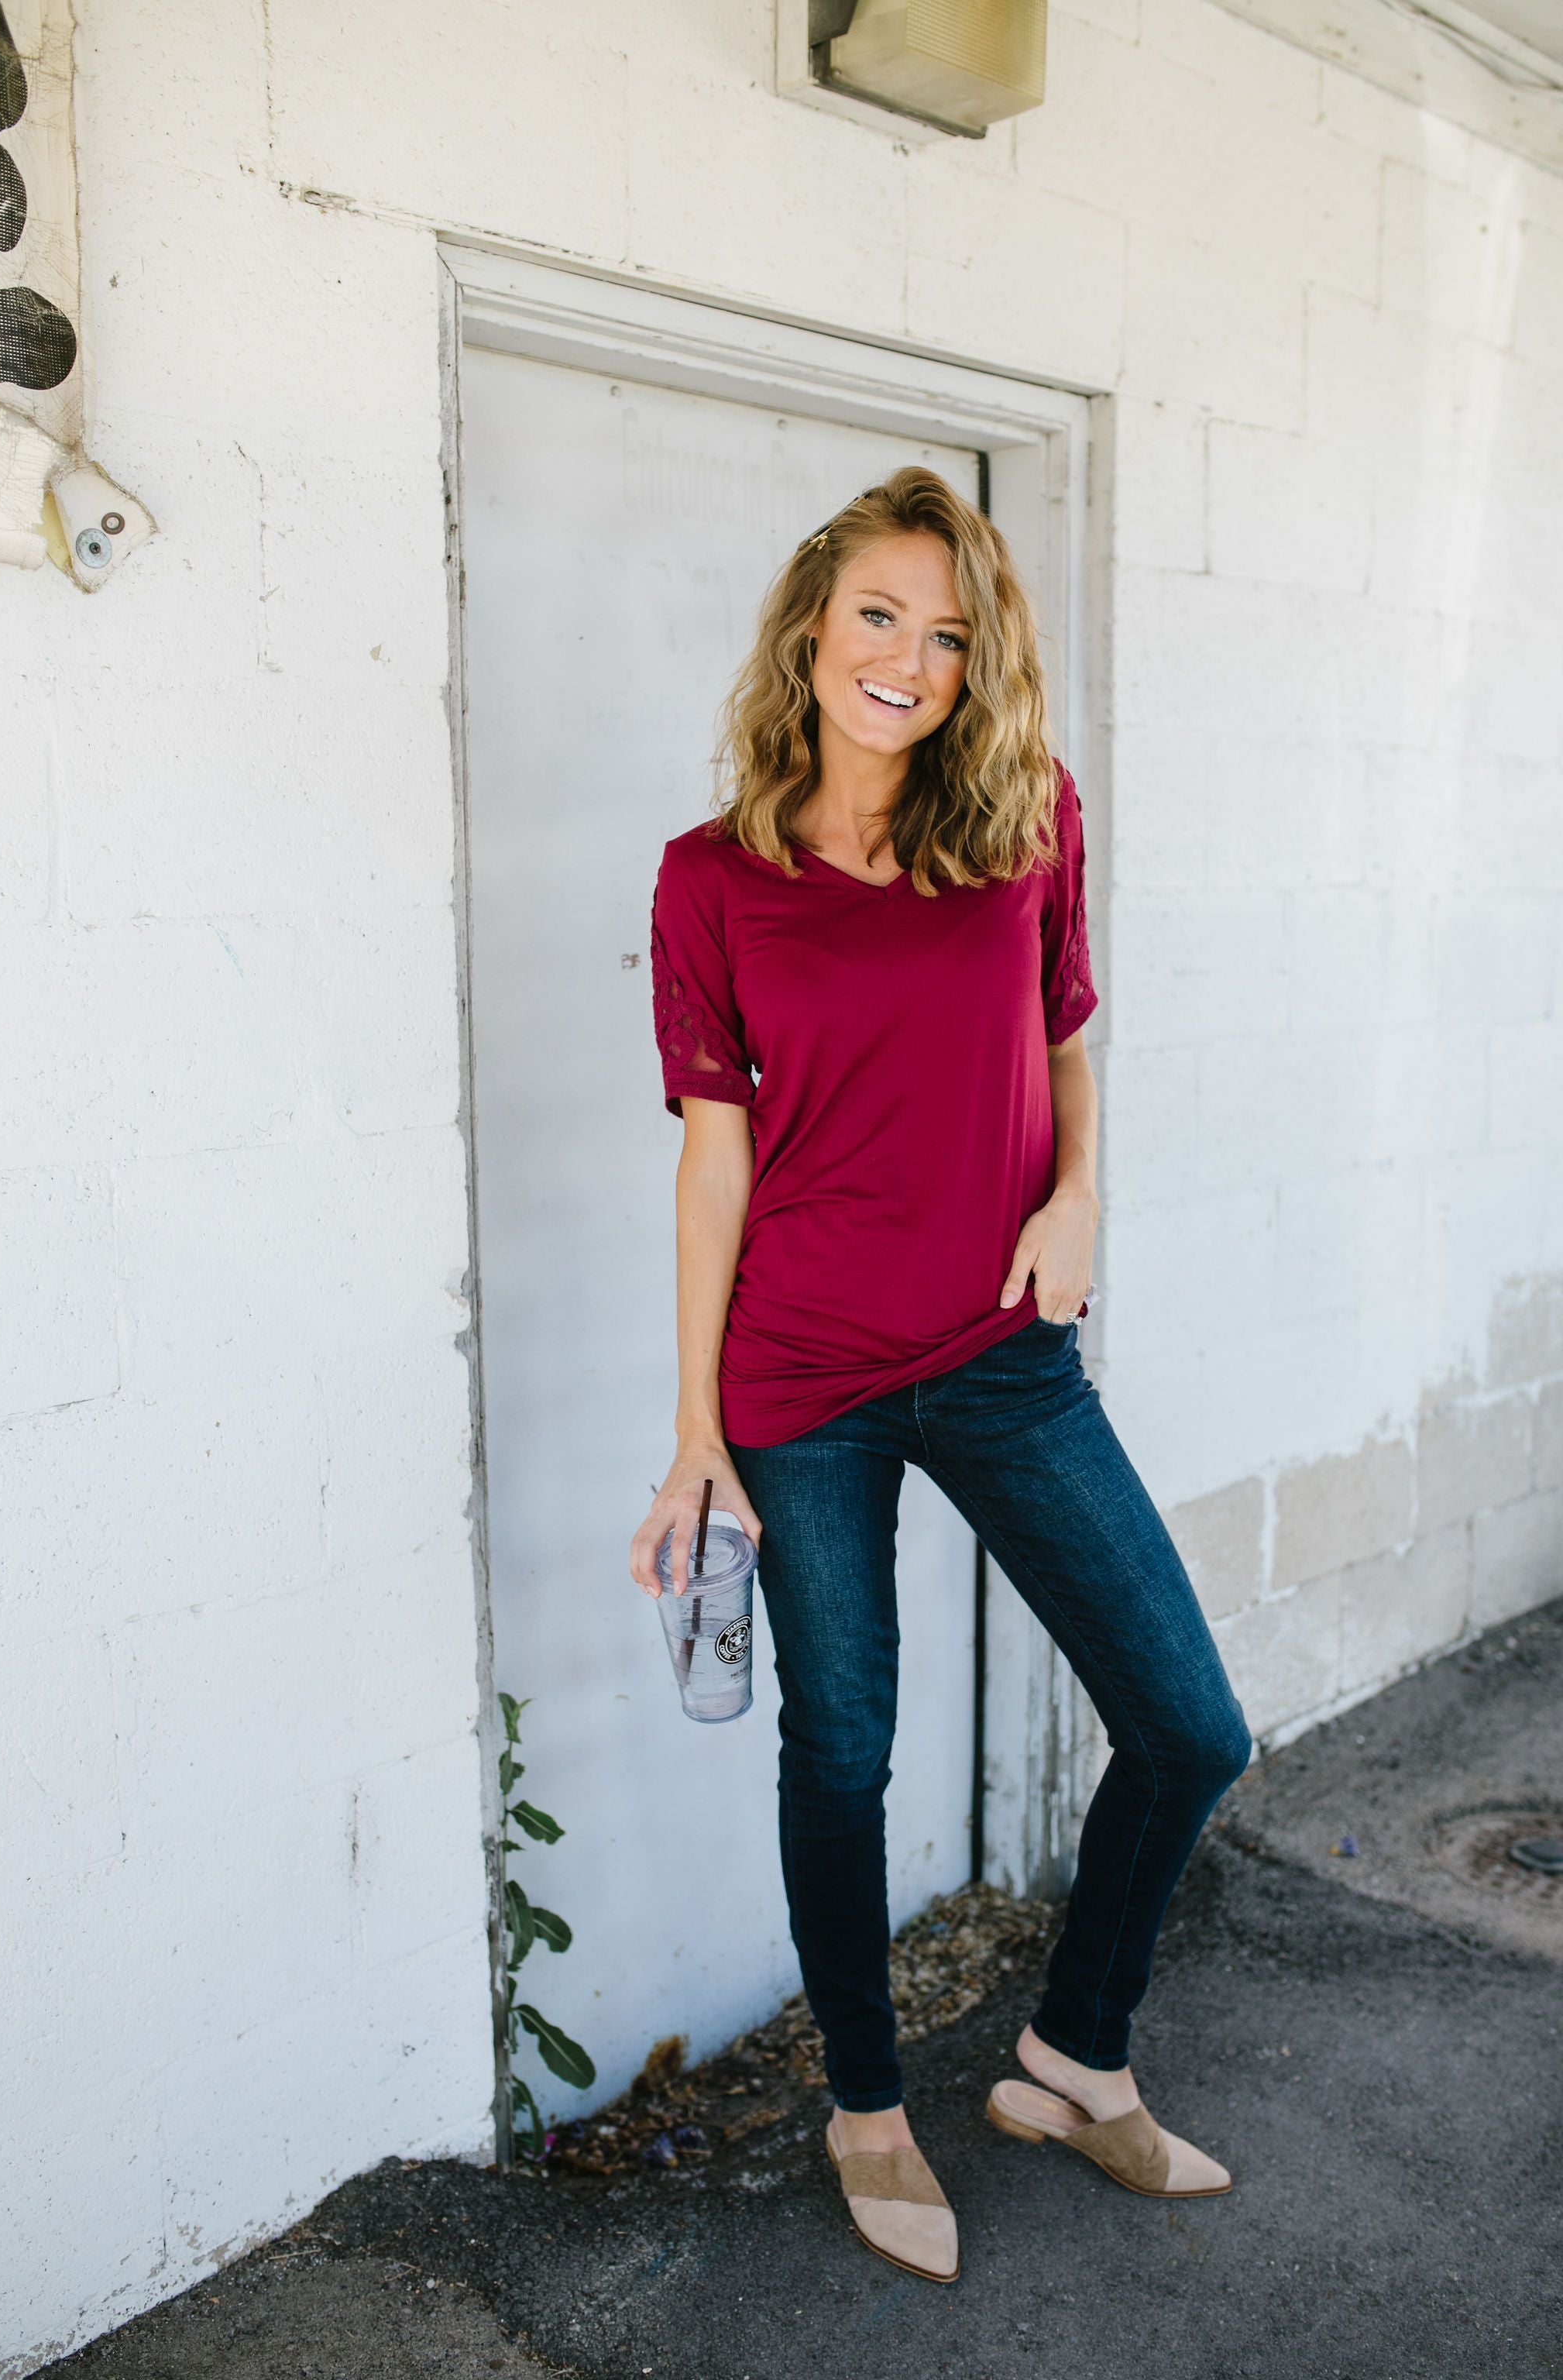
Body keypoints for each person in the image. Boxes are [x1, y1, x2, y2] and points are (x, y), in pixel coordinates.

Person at [630, 467, 1252, 2285]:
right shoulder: (711, 882)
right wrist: (695, 1437)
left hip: (1001, 1350)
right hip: (800, 1382)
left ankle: (1070, 2056)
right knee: (845, 1752)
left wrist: (1077, 1197)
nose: (908, 658)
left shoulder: (1026, 819)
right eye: (880, 616)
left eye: (949, 631)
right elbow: (713, 1160)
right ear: (814, 628)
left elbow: (1066, 1041)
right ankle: (870, 2107)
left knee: (1188, 1724)